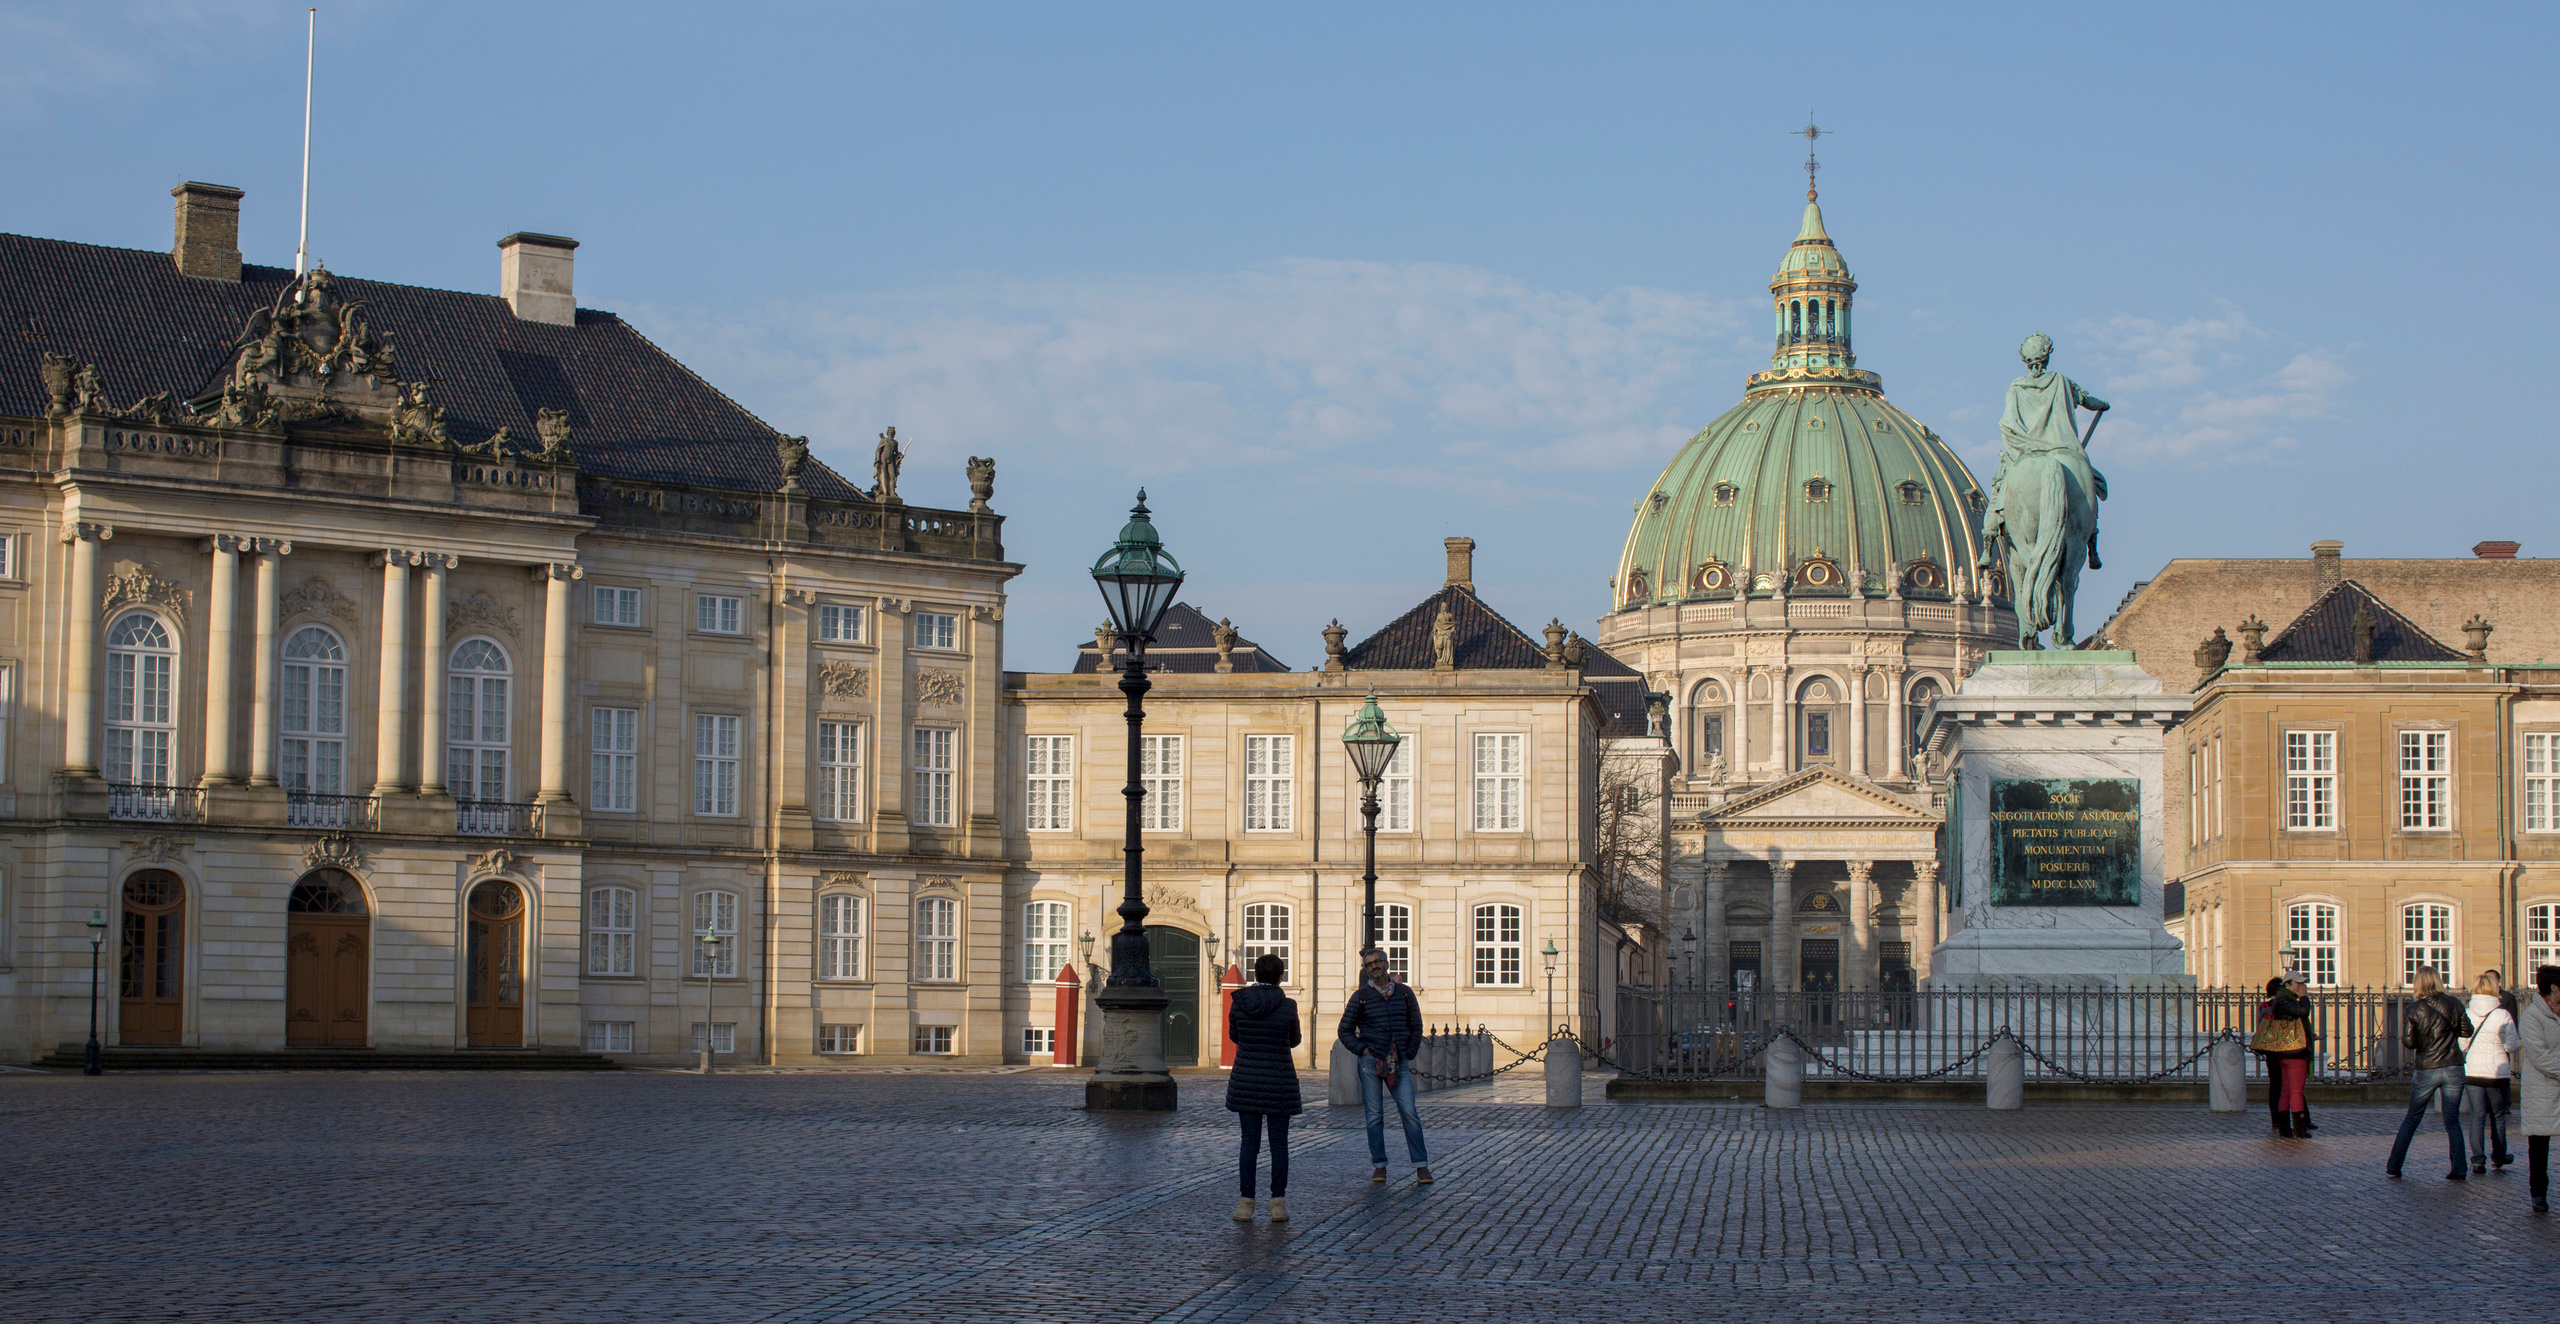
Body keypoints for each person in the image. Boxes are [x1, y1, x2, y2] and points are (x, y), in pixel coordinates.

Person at [1339, 946, 1431, 1185]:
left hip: (1398, 1061)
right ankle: (1379, 1165)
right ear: (1366, 969)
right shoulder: (1361, 997)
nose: (1374, 967)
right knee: (1374, 1116)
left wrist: (1409, 1051)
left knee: (1409, 1113)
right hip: (1371, 1061)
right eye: (1369, 964)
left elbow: (1416, 1025)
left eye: (1377, 962)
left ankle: (1421, 1166)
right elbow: (1344, 1031)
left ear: (1386, 964)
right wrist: (1363, 1049)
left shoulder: (1404, 993)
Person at [1226, 953, 1303, 1223]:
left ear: (1255, 975)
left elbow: (1234, 1036)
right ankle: (1278, 1204)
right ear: (1280, 977)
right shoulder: (1288, 1007)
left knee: (1249, 1144)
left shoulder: (1239, 1004)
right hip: (1278, 1080)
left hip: (1247, 1079)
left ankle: (1245, 1204)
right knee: (1279, 1145)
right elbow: (1294, 1040)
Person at [2386, 966, 2476, 1180]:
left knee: (2412, 1118)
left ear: (2418, 983)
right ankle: (2459, 1168)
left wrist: (2424, 1040)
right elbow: (2467, 1031)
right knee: (2452, 1121)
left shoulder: (2414, 1008)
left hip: (2427, 1066)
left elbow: (2409, 1042)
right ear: (2438, 981)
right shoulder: (2454, 1003)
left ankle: (2394, 1165)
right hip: (2453, 1065)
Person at [2461, 971, 2521, 1174]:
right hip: (2497, 1073)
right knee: (2498, 1115)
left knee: (2477, 1115)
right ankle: (2499, 1156)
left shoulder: (2467, 1013)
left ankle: (2477, 1159)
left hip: (2473, 1071)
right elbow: (2512, 1046)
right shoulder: (2502, 1014)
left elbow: (2461, 1043)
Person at [2254, 972, 2317, 1138]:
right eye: (2298, 983)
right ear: (2288, 985)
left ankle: (2284, 1127)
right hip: (2293, 1052)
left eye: (2302, 983)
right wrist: (2304, 997)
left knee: (2288, 1090)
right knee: (2295, 1091)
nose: (2302, 987)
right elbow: (2303, 1012)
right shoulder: (2285, 1000)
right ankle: (2299, 1128)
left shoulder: (2284, 999)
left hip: (2288, 1051)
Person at [2520, 965, 2560, 1214]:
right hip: (2541, 1086)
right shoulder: (2532, 1016)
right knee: (2539, 1142)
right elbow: (2539, 1055)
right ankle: (2538, 1193)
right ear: (2554, 988)